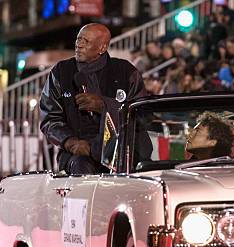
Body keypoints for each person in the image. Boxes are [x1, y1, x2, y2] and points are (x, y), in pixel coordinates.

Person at [40, 23, 151, 174]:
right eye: (78, 39)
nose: (79, 45)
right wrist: (71, 143)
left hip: (122, 153)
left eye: (86, 41)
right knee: (81, 167)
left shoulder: (126, 72)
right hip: (79, 154)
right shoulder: (61, 72)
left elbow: (142, 116)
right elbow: (50, 118)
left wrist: (105, 106)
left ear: (102, 48)